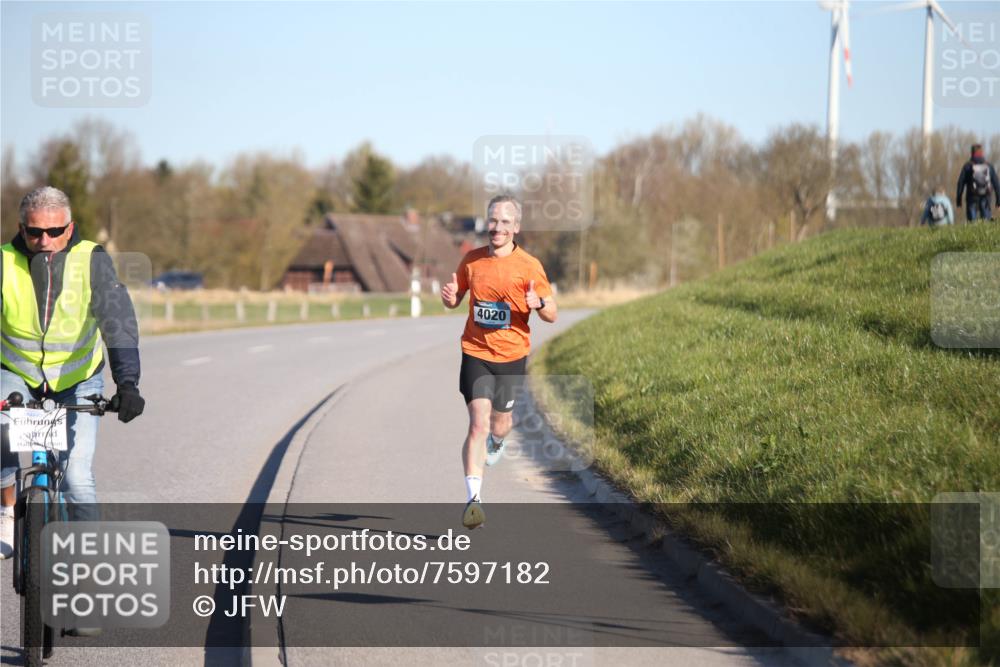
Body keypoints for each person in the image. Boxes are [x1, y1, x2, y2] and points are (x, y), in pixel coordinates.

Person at [0, 186, 145, 560]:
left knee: (77, 478)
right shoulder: (4, 261)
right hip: (17, 372)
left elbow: (117, 321)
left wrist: (127, 383)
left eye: (54, 231)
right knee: (1, 432)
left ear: (70, 227)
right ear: (21, 228)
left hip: (77, 378)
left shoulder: (91, 260)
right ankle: (6, 509)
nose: (44, 241)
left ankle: (88, 562)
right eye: (35, 232)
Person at [440, 194, 557, 529]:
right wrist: (450, 298)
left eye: (505, 222)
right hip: (475, 352)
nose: (497, 227)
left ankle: (499, 441)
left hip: (512, 356)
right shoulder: (472, 261)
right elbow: (455, 298)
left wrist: (538, 303)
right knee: (478, 424)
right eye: (493, 220)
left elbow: (552, 313)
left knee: (500, 424)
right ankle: (473, 500)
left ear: (516, 227)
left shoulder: (529, 266)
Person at [955, 144, 1000, 223]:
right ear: (982, 153)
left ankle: (972, 229)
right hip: (986, 196)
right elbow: (996, 184)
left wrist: (959, 200)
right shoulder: (989, 166)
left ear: (972, 153)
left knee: (972, 223)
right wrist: (998, 200)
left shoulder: (967, 166)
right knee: (986, 222)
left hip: (972, 196)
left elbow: (960, 183)